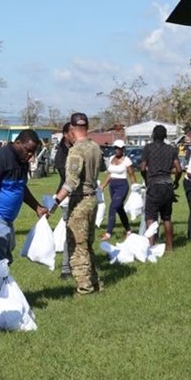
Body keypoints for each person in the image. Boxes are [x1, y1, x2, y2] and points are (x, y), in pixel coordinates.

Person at [48, 113, 102, 295]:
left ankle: (84, 287)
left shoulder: (76, 151)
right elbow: (101, 168)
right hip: (93, 198)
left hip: (80, 200)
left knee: (77, 245)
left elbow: (71, 182)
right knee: (87, 244)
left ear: (71, 129)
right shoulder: (95, 147)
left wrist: (55, 202)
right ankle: (94, 282)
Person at [0, 130, 48, 261]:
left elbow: (20, 186)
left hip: (6, 219)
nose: (30, 155)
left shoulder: (22, 160)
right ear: (18, 142)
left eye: (33, 152)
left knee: (6, 254)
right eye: (28, 150)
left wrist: (37, 207)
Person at [140, 125, 182, 251]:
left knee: (150, 217)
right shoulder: (171, 149)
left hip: (154, 185)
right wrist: (176, 182)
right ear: (165, 136)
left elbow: (142, 168)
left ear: (153, 135)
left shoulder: (148, 148)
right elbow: (179, 169)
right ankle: (170, 247)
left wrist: (147, 180)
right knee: (167, 218)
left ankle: (151, 247)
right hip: (167, 185)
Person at [99, 139, 135, 241]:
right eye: (116, 148)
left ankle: (108, 233)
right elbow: (110, 174)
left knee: (112, 207)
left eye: (119, 148)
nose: (117, 150)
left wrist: (134, 187)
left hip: (122, 186)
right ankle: (128, 231)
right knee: (119, 209)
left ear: (123, 149)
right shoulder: (111, 158)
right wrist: (103, 186)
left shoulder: (127, 160)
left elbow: (131, 174)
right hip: (112, 186)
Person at [53, 122, 73, 278]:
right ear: (66, 134)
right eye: (73, 131)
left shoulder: (76, 149)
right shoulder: (61, 154)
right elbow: (67, 179)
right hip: (66, 196)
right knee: (71, 233)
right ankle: (66, 268)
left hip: (76, 195)